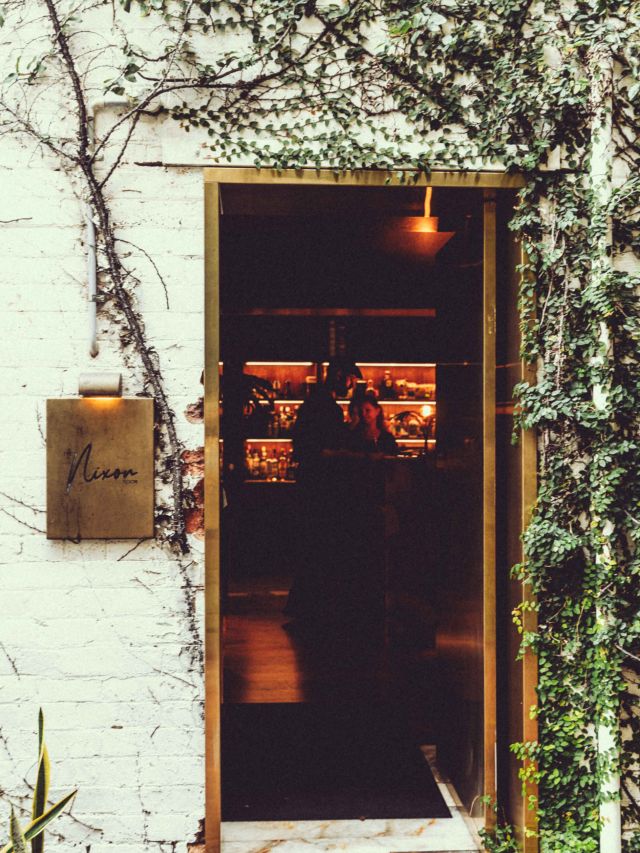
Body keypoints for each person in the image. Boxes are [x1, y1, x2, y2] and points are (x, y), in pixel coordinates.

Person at [283, 358, 361, 627]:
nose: (351, 386)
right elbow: (320, 449)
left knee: (311, 547)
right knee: (320, 546)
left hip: (309, 484)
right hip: (320, 488)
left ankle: (306, 609)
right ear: (339, 375)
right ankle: (314, 610)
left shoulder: (316, 403)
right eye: (351, 379)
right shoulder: (325, 407)